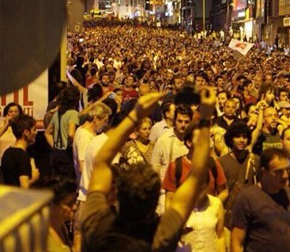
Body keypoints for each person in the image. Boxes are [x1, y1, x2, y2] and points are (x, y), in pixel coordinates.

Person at [80, 88, 216, 251]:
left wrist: (135, 115)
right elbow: (196, 177)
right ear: (154, 202)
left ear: (117, 192)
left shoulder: (96, 225)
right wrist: (206, 117)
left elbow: (101, 162)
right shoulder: (161, 236)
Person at [230, 148, 290, 252]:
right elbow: (236, 243)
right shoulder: (247, 198)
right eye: (279, 172)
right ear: (264, 171)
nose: (285, 176)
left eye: (287, 170)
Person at [32, 176, 77, 252]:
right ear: (51, 205)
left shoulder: (61, 226)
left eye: (74, 201)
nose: (75, 207)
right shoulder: (40, 236)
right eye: (69, 204)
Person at [45, 86, 81, 178]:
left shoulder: (57, 113)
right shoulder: (73, 113)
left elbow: (47, 133)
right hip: (67, 154)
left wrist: (54, 146)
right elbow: (71, 133)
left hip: (55, 154)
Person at [1, 114, 39, 188]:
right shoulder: (22, 156)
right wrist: (34, 179)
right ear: (26, 132)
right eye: (34, 129)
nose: (36, 132)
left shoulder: (7, 152)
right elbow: (24, 187)